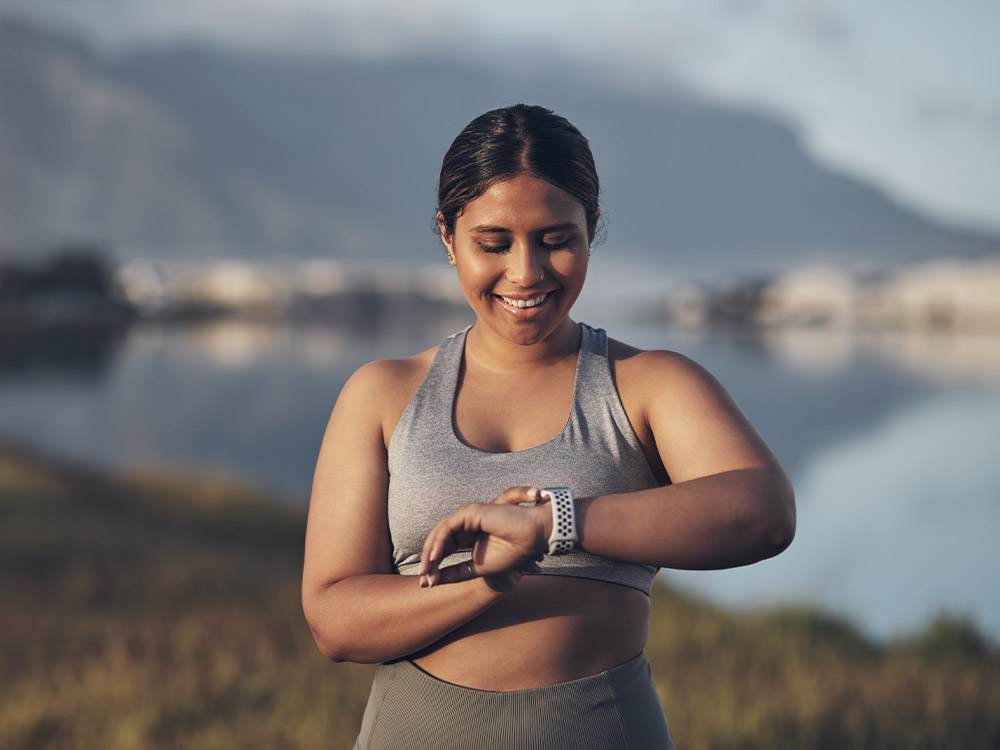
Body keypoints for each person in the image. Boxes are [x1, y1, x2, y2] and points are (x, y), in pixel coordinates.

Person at [302, 103, 796, 749]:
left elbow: (762, 516)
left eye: (556, 239)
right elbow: (336, 625)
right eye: (493, 242)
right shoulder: (384, 393)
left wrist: (554, 524)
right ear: (448, 237)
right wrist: (489, 580)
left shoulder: (650, 384)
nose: (526, 272)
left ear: (591, 230)